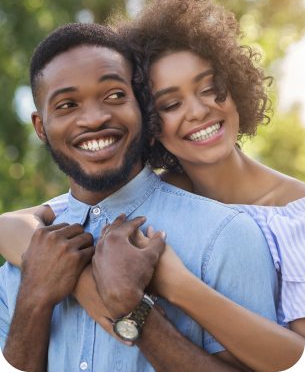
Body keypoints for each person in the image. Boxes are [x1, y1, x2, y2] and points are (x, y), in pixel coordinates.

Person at [0, 22, 280, 372]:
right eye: (68, 104)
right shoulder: (19, 262)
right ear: (41, 127)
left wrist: (136, 311)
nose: (95, 118)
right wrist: (34, 299)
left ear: (142, 109)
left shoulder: (227, 236)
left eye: (115, 95)